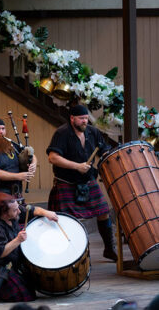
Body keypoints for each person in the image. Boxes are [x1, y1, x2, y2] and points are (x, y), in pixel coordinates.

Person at [46, 104, 117, 261]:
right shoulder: (62, 133)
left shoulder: (93, 132)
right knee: (70, 220)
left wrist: (107, 155)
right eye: (81, 119)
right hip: (67, 182)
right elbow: (53, 157)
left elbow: (104, 149)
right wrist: (77, 166)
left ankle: (109, 248)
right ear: (72, 118)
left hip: (88, 181)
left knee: (104, 211)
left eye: (86, 118)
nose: (85, 121)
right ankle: (75, 253)